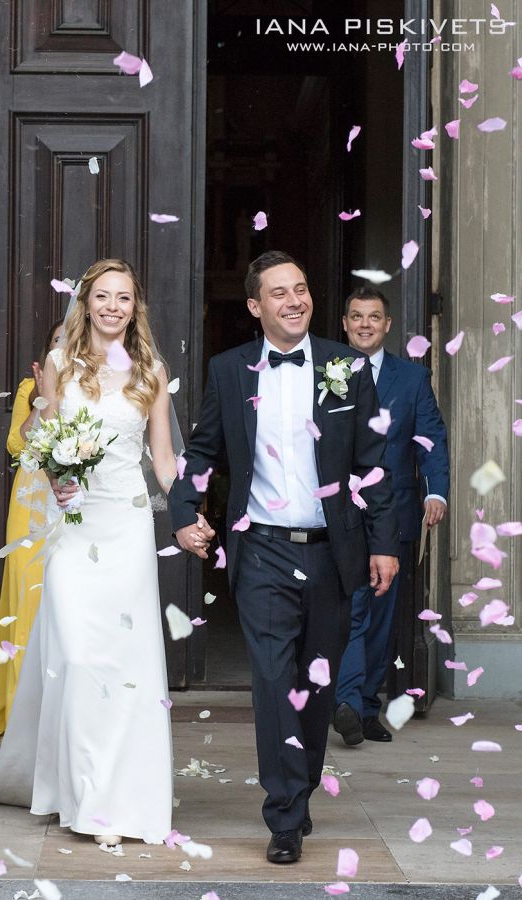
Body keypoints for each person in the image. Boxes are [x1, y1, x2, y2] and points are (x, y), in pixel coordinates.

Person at [168, 251, 400, 864]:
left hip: (330, 552)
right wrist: (182, 510)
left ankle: (299, 791)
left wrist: (383, 543)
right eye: (279, 293)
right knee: (273, 684)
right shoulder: (229, 370)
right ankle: (286, 816)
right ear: (255, 306)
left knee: (315, 688)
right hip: (263, 549)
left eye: (301, 289)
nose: (295, 300)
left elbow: (373, 461)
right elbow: (202, 450)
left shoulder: (346, 367)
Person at [0, 259, 179, 846]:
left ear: (135, 307)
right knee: (74, 660)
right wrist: (55, 478)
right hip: (73, 532)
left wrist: (195, 513)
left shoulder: (151, 372)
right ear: (86, 302)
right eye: (103, 296)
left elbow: (165, 460)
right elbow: (39, 443)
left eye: (124, 297)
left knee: (125, 667)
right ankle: (76, 787)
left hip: (126, 529)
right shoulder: (58, 368)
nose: (112, 306)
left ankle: (110, 802)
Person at [333, 286, 449, 746]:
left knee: (379, 621)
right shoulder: (325, 372)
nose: (364, 324)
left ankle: (362, 708)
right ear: (344, 324)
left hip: (396, 513)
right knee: (351, 612)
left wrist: (434, 492)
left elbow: (431, 440)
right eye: (356, 316)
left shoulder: (412, 379)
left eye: (374, 317)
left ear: (387, 325)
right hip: (339, 515)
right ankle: (345, 703)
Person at [0, 318, 64, 737]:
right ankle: (21, 719)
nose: (64, 346)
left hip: (76, 500)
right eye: (56, 340)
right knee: (27, 596)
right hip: (33, 501)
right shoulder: (27, 388)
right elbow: (17, 445)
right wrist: (38, 399)